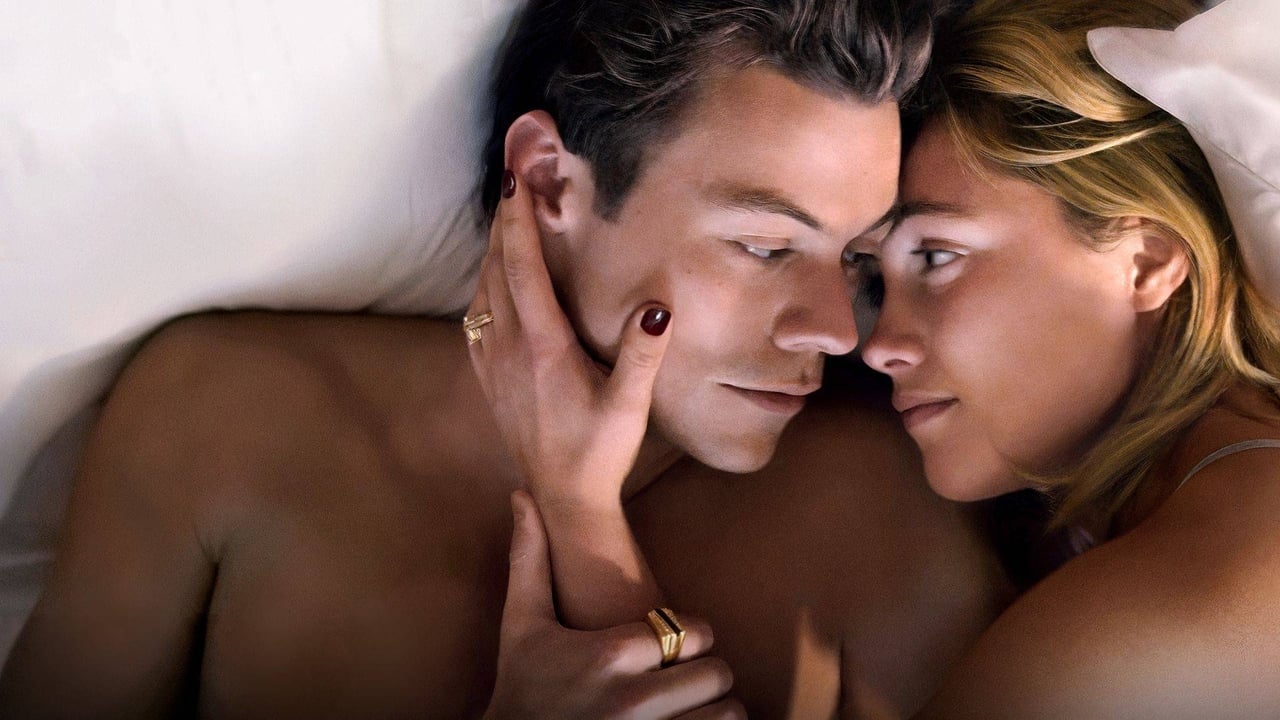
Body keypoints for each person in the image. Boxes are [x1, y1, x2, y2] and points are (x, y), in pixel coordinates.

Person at [0, 0, 1008, 717]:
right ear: (549, 180)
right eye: (764, 246)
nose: (835, 329)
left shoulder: (882, 531)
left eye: (857, 259)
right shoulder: (224, 416)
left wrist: (585, 519)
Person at [480, 0, 1280, 716]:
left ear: (1145, 263)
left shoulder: (1190, 604)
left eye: (936, 257)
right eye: (872, 274)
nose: (868, 341)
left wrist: (580, 511)